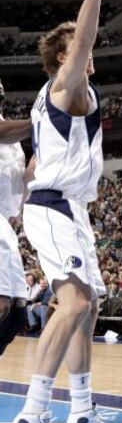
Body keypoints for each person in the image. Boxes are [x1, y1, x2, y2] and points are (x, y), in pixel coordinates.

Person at [6, 0, 122, 423]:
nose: (88, 50)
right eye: (78, 46)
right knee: (73, 303)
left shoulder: (53, 100)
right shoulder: (67, 84)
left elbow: (33, 164)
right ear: (63, 55)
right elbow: (81, 41)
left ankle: (81, 412)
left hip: (63, 206)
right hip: (54, 207)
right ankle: (32, 417)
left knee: (89, 304)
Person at [0, 77, 32, 355]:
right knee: (2, 304)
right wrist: (44, 119)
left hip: (7, 222)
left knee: (17, 314)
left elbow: (22, 179)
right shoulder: (9, 130)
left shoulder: (15, 140)